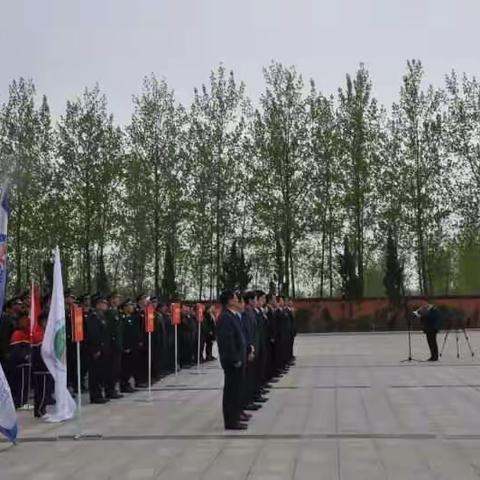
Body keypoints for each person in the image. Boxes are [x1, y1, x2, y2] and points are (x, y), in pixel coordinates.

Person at [216, 289, 248, 430]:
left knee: (236, 390)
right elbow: (227, 342)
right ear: (229, 301)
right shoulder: (225, 318)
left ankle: (235, 417)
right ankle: (230, 421)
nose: (237, 300)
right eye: (235, 298)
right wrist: (235, 359)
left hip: (238, 359)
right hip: (232, 361)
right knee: (231, 391)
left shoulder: (233, 316)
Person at [85, 296, 111, 404]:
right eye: (103, 303)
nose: (105, 305)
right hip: (96, 350)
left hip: (103, 349)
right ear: (97, 305)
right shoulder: (93, 317)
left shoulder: (102, 316)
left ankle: (100, 394)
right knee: (95, 373)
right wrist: (96, 349)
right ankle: (95, 395)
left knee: (101, 373)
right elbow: (93, 334)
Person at [8, 309, 31, 408]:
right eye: (24, 320)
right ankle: (20, 402)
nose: (26, 321)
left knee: (26, 383)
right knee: (21, 384)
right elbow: (15, 351)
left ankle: (24, 401)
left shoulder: (27, 333)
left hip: (26, 364)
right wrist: (25, 356)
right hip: (20, 364)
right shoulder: (17, 333)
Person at [105, 292, 123, 399]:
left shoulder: (116, 312)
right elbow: (110, 331)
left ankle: (113, 389)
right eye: (116, 298)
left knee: (116, 369)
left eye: (118, 298)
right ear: (111, 299)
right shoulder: (110, 312)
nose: (118, 300)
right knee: (112, 369)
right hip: (112, 346)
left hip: (118, 345)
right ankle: (110, 390)